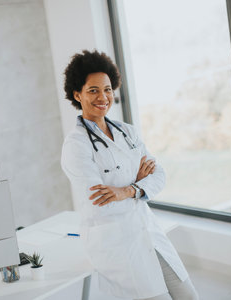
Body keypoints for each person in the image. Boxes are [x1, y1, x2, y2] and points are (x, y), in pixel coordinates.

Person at [61, 50, 199, 300]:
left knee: (188, 296)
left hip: (149, 233)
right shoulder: (76, 145)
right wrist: (138, 182)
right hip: (118, 246)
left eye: (107, 89)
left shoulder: (127, 132)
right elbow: (100, 202)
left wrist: (127, 190)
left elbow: (159, 175)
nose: (103, 97)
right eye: (93, 90)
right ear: (77, 94)